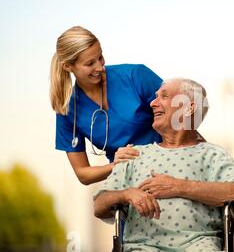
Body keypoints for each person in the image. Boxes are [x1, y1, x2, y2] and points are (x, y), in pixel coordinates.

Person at [93, 78, 234, 252]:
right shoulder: (134, 154)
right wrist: (127, 194)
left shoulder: (212, 155)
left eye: (164, 96)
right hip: (143, 249)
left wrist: (178, 186)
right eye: (155, 97)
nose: (153, 103)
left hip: (200, 247)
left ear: (188, 108)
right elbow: (99, 205)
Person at [50, 26, 163, 185]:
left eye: (100, 57)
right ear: (68, 66)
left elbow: (184, 112)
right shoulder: (67, 109)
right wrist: (116, 164)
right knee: (101, 206)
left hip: (168, 162)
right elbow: (83, 174)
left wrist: (192, 151)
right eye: (90, 63)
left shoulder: (135, 75)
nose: (99, 67)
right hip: (127, 178)